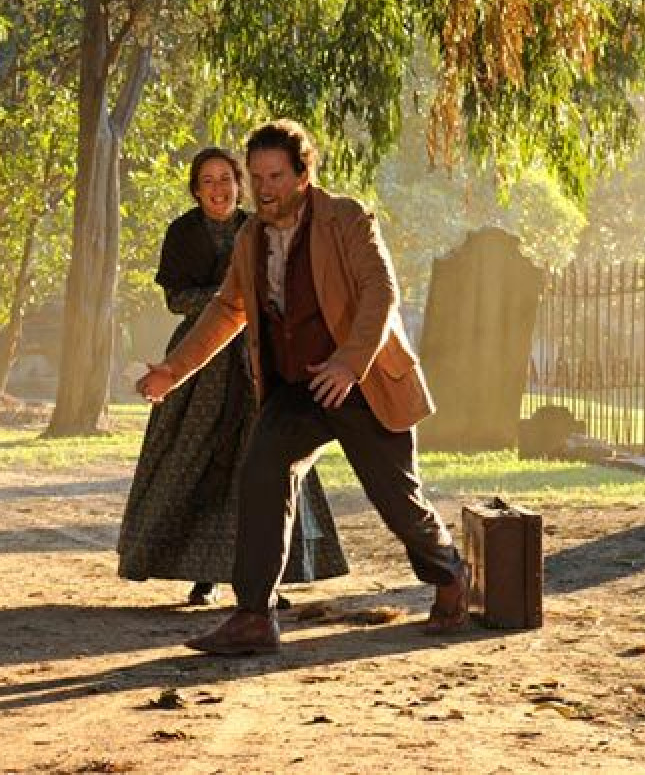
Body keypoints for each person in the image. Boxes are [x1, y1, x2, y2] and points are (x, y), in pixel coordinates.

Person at [137, 120, 470, 656]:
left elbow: (379, 293)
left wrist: (348, 363)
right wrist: (173, 371)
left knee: (396, 500)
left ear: (303, 174)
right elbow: (228, 310)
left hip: (360, 382)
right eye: (257, 176)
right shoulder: (251, 236)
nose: (264, 187)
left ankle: (450, 573)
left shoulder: (346, 218)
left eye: (275, 175)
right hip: (297, 388)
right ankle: (254, 616)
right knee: (262, 471)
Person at [117, 148, 348, 606]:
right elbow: (178, 300)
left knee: (267, 461)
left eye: (226, 179)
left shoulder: (258, 227)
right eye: (208, 181)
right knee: (199, 462)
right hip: (200, 362)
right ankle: (203, 576)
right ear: (196, 189)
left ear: (239, 185)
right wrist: (231, 298)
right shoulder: (183, 233)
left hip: (260, 358)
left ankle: (268, 577)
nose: (218, 189)